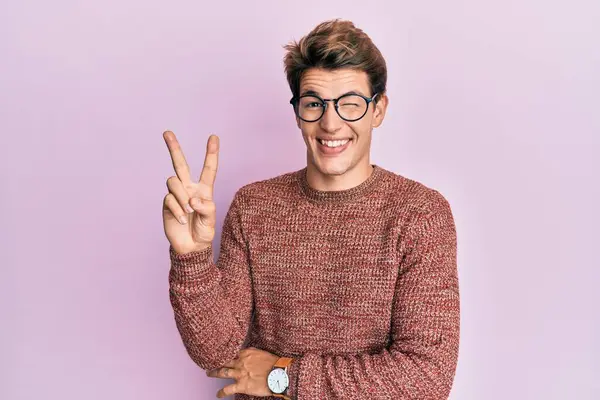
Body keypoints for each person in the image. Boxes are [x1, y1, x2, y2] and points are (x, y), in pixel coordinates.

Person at [162, 19, 460, 400]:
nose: (331, 123)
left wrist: (280, 377)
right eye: (314, 104)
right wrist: (192, 257)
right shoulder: (254, 207)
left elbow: (425, 377)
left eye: (350, 104)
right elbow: (216, 353)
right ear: (298, 111)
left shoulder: (420, 214)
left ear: (378, 110)